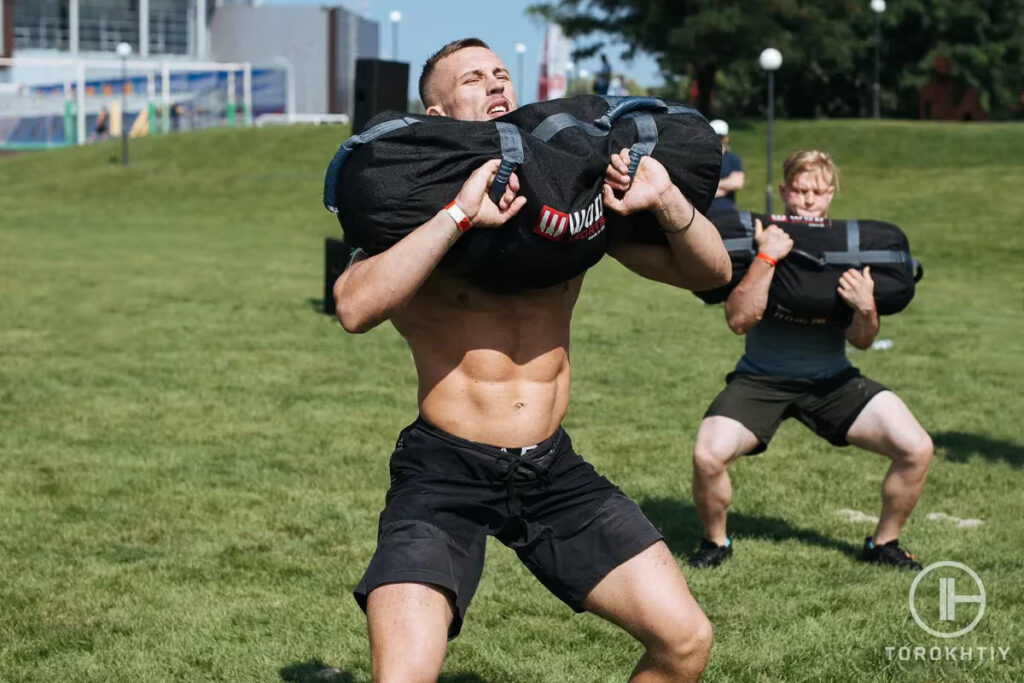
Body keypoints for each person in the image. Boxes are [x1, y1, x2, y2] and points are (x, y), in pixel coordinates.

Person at [334, 38, 731, 682]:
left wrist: (665, 201)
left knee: (685, 641)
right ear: (437, 115)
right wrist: (458, 216)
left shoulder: (566, 194)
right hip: (445, 473)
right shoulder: (411, 203)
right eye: (471, 79)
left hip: (553, 472)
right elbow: (354, 307)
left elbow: (711, 273)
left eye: (500, 74)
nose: (494, 84)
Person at [688, 149, 933, 571]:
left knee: (917, 447)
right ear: (784, 191)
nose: (807, 200)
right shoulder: (760, 242)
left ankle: (884, 543)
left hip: (832, 381)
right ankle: (716, 542)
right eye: (799, 191)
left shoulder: (849, 251)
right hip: (761, 380)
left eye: (817, 192)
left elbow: (861, 341)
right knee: (708, 456)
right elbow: (739, 321)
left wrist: (865, 306)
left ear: (831, 195)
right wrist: (767, 258)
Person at [706, 119, 744, 216]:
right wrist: (724, 187)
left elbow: (737, 183)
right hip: (704, 212)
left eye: (720, 137)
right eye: (713, 135)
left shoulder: (733, 159)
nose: (717, 139)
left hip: (726, 212)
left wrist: (710, 185)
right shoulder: (701, 158)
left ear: (726, 138)